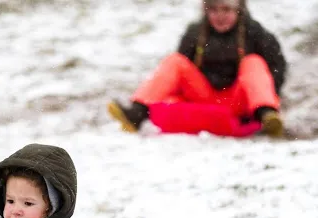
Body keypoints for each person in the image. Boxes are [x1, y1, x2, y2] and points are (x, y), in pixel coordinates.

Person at [108, 0, 287, 137]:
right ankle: (138, 113)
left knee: (253, 62)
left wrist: (269, 96)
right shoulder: (196, 32)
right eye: (214, 9)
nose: (220, 16)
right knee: (175, 61)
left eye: (226, 9)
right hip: (204, 97)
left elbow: (277, 67)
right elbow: (177, 75)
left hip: (239, 100)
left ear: (238, 10)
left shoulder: (254, 32)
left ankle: (266, 114)